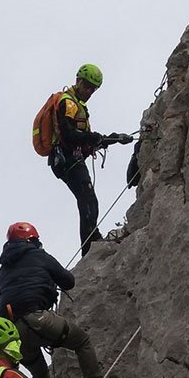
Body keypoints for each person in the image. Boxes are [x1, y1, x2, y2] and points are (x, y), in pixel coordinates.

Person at [0, 221, 120, 378]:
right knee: (81, 341)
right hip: (38, 318)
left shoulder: (3, 270)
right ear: (32, 240)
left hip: (12, 332)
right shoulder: (38, 255)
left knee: (39, 373)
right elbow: (68, 281)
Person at [49, 64, 122, 256]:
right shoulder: (69, 103)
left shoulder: (78, 105)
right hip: (67, 159)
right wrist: (94, 137)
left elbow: (84, 137)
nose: (90, 92)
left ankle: (90, 241)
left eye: (94, 89)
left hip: (71, 158)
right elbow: (70, 134)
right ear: (78, 81)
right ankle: (90, 245)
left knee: (88, 200)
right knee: (88, 200)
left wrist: (111, 139)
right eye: (88, 86)